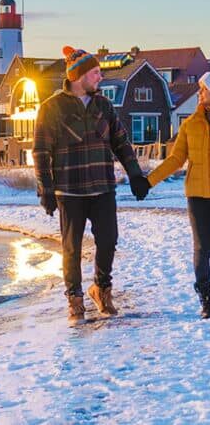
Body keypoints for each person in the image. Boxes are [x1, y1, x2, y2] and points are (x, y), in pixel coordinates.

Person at [33, 45, 149, 325]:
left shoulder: (104, 106)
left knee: (108, 241)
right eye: (96, 73)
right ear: (79, 76)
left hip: (103, 188)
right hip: (69, 191)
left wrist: (135, 175)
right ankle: (75, 302)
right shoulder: (51, 108)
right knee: (71, 249)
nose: (100, 78)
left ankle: (101, 289)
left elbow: (121, 143)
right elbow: (40, 152)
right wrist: (45, 190)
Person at [146, 72, 210, 319]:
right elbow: (175, 159)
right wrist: (148, 181)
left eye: (203, 90)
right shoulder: (190, 124)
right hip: (196, 194)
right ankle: (206, 298)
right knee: (202, 247)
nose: (199, 94)